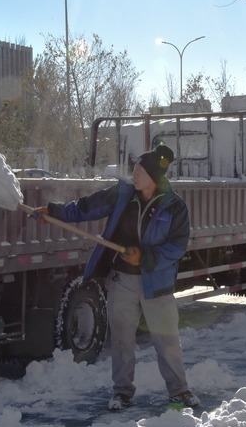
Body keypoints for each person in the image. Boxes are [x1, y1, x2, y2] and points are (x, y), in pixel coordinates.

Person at [36, 144, 198, 411]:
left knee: (166, 340)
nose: (134, 172)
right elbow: (85, 208)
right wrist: (53, 211)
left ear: (154, 176)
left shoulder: (173, 206)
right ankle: (122, 392)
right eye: (134, 167)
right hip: (122, 280)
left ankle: (179, 391)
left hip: (156, 283)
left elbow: (178, 246)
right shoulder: (121, 194)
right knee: (122, 339)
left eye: (140, 169)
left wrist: (144, 257)